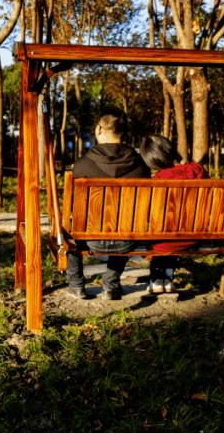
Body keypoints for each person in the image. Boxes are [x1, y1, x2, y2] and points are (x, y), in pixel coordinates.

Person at [65, 107, 151, 300]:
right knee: (123, 222)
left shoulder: (82, 165)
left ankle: (77, 285)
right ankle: (111, 285)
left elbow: (72, 208)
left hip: (88, 237)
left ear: (98, 130)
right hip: (127, 239)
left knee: (70, 231)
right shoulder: (141, 166)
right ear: (124, 132)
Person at [140, 134, 208, 294]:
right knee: (174, 231)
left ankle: (157, 281)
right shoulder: (197, 171)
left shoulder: (156, 181)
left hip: (163, 240)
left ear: (153, 160)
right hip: (195, 235)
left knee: (162, 236)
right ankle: (168, 280)